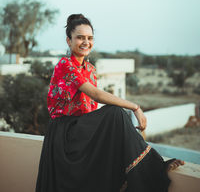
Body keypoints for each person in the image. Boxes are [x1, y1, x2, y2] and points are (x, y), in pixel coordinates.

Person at [35, 14, 184, 192]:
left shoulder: (90, 69)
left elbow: (90, 107)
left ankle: (151, 166)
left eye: (90, 38)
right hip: (64, 134)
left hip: (81, 130)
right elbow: (96, 95)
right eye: (80, 37)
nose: (85, 42)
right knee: (115, 113)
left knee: (114, 122)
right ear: (69, 40)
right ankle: (154, 166)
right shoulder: (65, 65)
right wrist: (135, 107)